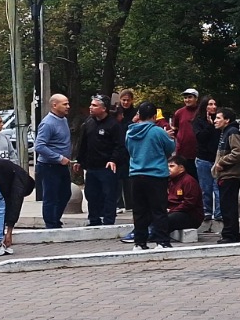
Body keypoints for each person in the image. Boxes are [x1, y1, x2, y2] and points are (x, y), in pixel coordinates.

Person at [125, 102, 177, 249]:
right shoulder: (157, 131)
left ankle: (139, 242)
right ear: (154, 116)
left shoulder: (130, 132)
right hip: (156, 174)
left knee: (139, 210)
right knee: (158, 209)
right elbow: (170, 148)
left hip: (136, 174)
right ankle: (162, 241)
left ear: (138, 115)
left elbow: (128, 149)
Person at [74, 94, 125, 227]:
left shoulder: (113, 125)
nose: (91, 107)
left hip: (107, 167)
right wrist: (79, 160)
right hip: (91, 167)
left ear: (104, 109)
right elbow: (82, 143)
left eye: (94, 105)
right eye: (91, 104)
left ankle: (108, 221)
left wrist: (113, 160)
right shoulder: (88, 123)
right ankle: (94, 220)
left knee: (109, 194)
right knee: (91, 194)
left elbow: (119, 145)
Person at [34, 94, 73, 229]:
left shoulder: (63, 120)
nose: (68, 106)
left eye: (68, 103)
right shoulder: (48, 123)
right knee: (51, 197)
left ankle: (55, 220)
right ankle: (51, 225)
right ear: (54, 105)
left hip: (61, 165)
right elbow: (39, 146)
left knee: (65, 194)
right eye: (64, 104)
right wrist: (58, 157)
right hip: (49, 165)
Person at [212, 107, 240, 244]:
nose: (215, 121)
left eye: (218, 118)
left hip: (230, 175)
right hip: (224, 174)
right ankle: (231, 233)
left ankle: (230, 234)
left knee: (228, 206)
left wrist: (222, 162)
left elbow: (239, 151)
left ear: (227, 120)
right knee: (226, 205)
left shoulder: (232, 132)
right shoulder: (225, 132)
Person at [192, 96, 220, 230]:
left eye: (215, 104)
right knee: (205, 188)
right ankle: (207, 212)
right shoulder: (198, 121)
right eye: (210, 104)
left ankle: (219, 213)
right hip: (204, 158)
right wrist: (209, 126)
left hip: (217, 158)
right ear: (204, 106)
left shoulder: (219, 120)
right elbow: (201, 138)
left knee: (218, 187)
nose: (213, 107)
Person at [164, 157, 204, 235]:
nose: (168, 169)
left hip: (189, 215)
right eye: (167, 166)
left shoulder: (188, 181)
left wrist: (171, 211)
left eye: (172, 166)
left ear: (181, 168)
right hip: (174, 211)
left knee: (166, 219)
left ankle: (154, 235)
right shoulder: (170, 181)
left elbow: (189, 203)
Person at [169, 88, 202, 173]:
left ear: (196, 98)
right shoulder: (179, 113)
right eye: (185, 98)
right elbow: (175, 130)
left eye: (190, 97)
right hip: (183, 153)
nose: (187, 100)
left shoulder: (201, 112)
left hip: (199, 153)